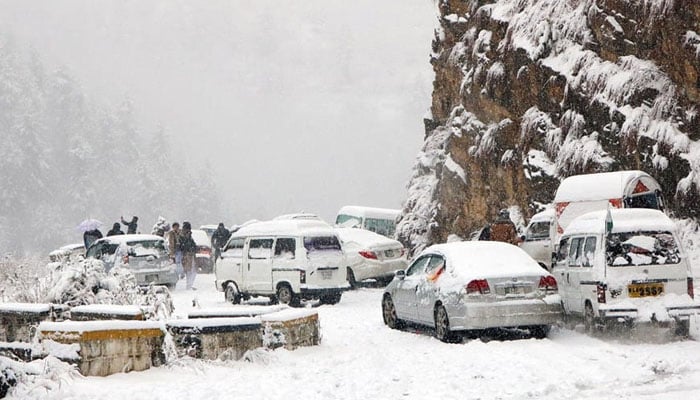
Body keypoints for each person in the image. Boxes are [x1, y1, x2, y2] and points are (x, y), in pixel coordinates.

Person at [179, 221, 198, 290]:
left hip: (190, 254)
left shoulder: (189, 236)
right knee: (188, 271)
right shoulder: (182, 236)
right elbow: (182, 245)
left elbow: (193, 244)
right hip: (185, 254)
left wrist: (194, 248)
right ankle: (188, 285)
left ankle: (189, 285)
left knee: (192, 271)